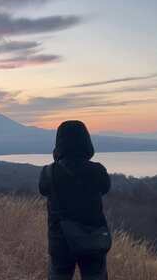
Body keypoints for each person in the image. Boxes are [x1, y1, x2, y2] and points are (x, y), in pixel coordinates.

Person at [39, 120, 111, 280]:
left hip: (60, 242)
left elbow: (43, 190)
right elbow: (105, 188)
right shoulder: (97, 171)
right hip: (93, 239)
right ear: (86, 141)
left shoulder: (48, 173)